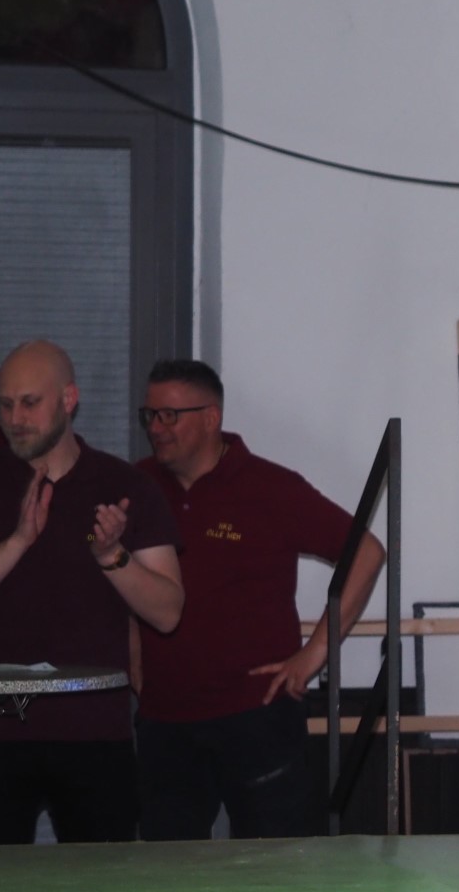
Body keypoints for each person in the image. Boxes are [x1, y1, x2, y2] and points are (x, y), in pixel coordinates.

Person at [133, 360, 386, 841]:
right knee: (165, 872)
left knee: (274, 867)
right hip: (165, 720)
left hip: (257, 716)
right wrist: (132, 656)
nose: (156, 429)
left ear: (211, 417)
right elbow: (114, 568)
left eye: (170, 416)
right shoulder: (138, 487)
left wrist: (314, 654)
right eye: (149, 415)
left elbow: (367, 553)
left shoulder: (271, 488)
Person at [0, 340, 183, 844]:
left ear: (69, 399)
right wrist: (17, 542)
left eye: (30, 403)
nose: (15, 419)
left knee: (103, 886)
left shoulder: (126, 487)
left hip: (94, 734)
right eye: (5, 405)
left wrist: (111, 556)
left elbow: (168, 612)